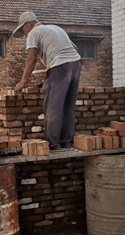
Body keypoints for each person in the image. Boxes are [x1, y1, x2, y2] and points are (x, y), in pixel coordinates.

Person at [13, 11, 81, 150]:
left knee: (52, 108)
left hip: (60, 66)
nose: (24, 34)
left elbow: (31, 59)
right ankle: (67, 143)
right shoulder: (56, 28)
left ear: (29, 24)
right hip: (76, 64)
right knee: (68, 108)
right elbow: (75, 48)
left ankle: (54, 145)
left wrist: (22, 82)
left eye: (23, 30)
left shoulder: (33, 32)